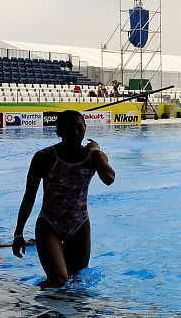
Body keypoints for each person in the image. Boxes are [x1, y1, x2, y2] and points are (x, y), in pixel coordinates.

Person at [12, 110, 115, 287]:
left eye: (79, 127)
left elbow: (109, 179)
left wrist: (96, 151)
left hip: (80, 224)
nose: (76, 132)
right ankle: (33, 306)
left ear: (85, 128)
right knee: (59, 278)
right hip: (49, 224)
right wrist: (18, 232)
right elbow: (29, 196)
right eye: (69, 128)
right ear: (59, 132)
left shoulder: (95, 157)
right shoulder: (44, 157)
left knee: (76, 279)